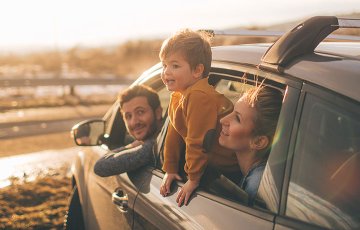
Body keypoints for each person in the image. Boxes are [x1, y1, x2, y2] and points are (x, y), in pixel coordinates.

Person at [159, 29, 239, 206]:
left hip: (229, 168)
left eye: (175, 66)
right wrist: (170, 169)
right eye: (164, 65)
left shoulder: (198, 96)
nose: (166, 72)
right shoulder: (179, 95)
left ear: (197, 70)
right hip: (213, 165)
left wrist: (193, 179)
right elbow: (174, 133)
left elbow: (198, 140)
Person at [218, 86, 282, 205]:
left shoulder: (256, 189)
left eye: (237, 118)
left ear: (258, 142)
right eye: (232, 111)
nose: (223, 120)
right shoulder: (260, 175)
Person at [94, 85, 163, 177]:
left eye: (140, 112)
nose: (134, 122)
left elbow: (100, 167)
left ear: (158, 112)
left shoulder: (156, 146)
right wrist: (134, 145)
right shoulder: (156, 140)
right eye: (128, 116)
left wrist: (131, 146)